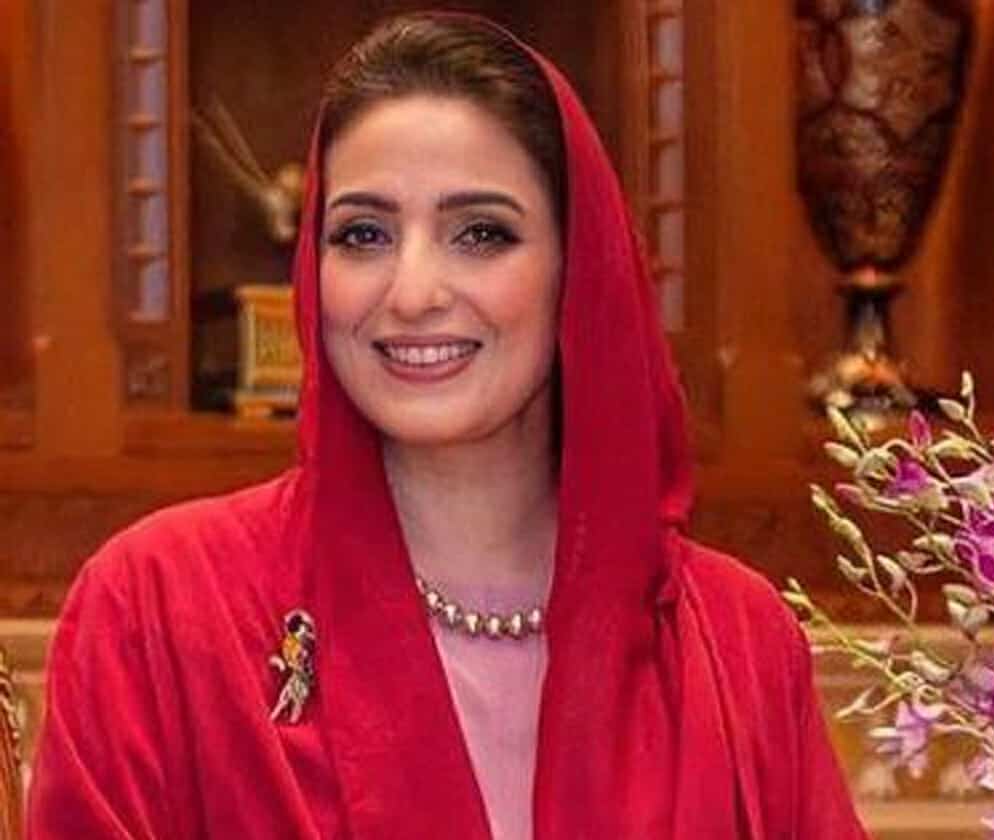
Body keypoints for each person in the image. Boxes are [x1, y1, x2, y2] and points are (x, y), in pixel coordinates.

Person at [27, 12, 866, 839]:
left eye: (480, 233)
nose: (413, 293)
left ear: (580, 266)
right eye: (364, 234)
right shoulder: (160, 607)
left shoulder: (736, 640)